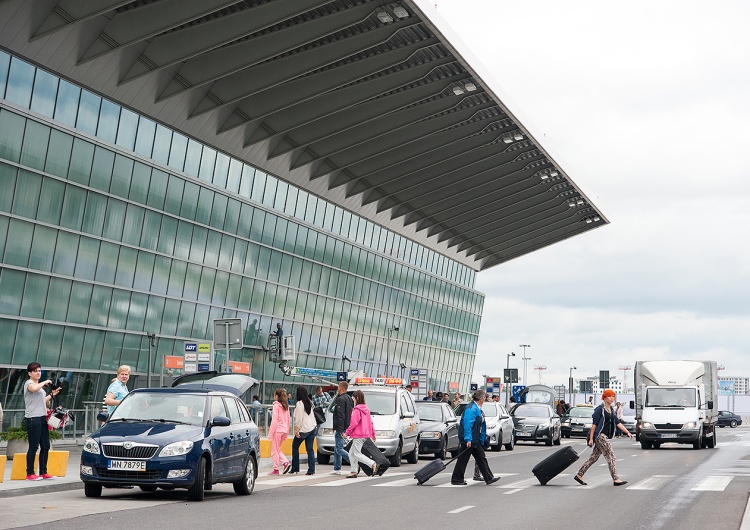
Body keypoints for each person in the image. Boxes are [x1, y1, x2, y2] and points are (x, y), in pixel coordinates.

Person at [575, 389, 634, 487]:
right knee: (611, 455)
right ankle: (616, 479)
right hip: (600, 436)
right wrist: (591, 439)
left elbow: (618, 423)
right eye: (610, 396)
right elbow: (594, 425)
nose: (612, 398)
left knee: (593, 458)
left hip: (605, 436)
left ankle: (579, 475)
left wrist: (627, 432)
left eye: (613, 396)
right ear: (605, 398)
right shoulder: (600, 409)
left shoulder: (611, 410)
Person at [451, 389, 500, 486]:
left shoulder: (476, 408)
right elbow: (467, 425)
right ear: (481, 398)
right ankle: (456, 478)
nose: (485, 400)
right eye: (484, 398)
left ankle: (489, 477)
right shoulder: (471, 409)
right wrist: (468, 439)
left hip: (475, 438)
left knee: (481, 458)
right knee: (463, 459)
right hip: (470, 439)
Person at [23, 362, 61, 480]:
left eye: (39, 371)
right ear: (29, 373)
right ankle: (30, 473)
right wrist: (44, 382)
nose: (38, 373)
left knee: (45, 445)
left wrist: (52, 395)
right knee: (34, 446)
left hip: (42, 418)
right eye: (35, 371)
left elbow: (42, 401)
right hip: (33, 419)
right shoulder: (29, 383)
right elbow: (34, 389)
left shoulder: (39, 386)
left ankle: (43, 472)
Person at [344, 390, 378, 478]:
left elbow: (354, 423)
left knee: (356, 454)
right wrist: (373, 434)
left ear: (357, 398)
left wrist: (346, 433)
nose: (353, 400)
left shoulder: (357, 410)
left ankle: (372, 464)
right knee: (351, 453)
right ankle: (354, 471)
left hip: (358, 435)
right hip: (365, 435)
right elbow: (371, 423)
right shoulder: (366, 409)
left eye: (353, 398)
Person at [291, 387, 317, 476]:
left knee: (295, 447)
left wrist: (297, 430)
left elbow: (299, 419)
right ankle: (311, 470)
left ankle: (295, 468)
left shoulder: (299, 403)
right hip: (312, 428)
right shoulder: (309, 402)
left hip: (303, 429)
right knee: (310, 450)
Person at [329, 381, 353, 475]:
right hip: (347, 426)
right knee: (337, 447)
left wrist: (340, 428)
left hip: (341, 427)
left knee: (339, 448)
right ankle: (337, 468)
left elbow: (341, 415)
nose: (337, 388)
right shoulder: (349, 399)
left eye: (338, 387)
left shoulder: (340, 399)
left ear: (341, 388)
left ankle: (353, 462)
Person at [268, 388, 291, 475]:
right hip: (284, 430)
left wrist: (270, 433)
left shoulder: (276, 405)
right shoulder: (286, 406)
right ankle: (285, 463)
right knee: (277, 449)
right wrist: (287, 432)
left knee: (274, 450)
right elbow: (288, 420)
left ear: (277, 396)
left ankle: (277, 468)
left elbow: (274, 421)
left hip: (277, 430)